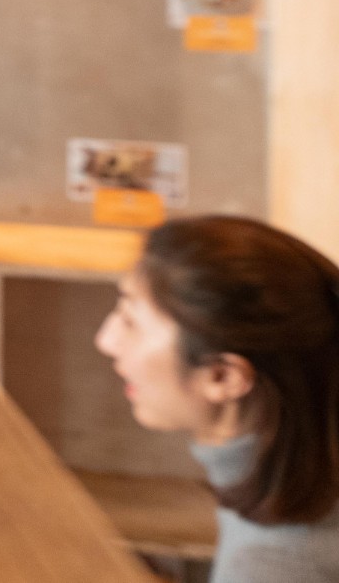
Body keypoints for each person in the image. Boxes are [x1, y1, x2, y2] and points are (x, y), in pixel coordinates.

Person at [96, 215, 339, 582]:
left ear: (222, 376)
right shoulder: (303, 472)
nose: (106, 340)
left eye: (131, 321)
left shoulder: (273, 565)